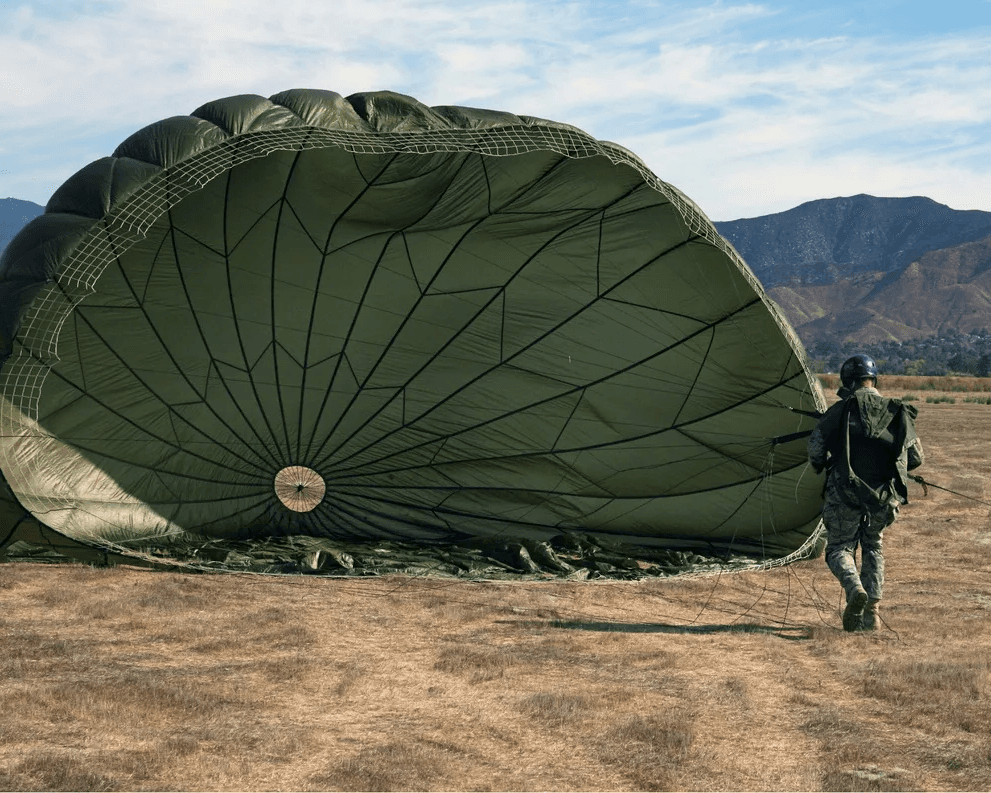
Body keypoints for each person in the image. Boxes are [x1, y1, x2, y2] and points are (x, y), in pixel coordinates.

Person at [807, 355, 924, 632]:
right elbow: (916, 456)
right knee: (873, 547)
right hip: (883, 499)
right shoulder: (897, 412)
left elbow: (815, 452)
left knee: (838, 548)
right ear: (874, 379)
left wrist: (823, 466)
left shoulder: (838, 411)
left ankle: (854, 588)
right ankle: (872, 613)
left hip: (844, 495)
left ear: (848, 381)